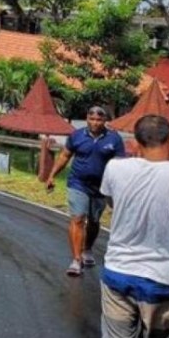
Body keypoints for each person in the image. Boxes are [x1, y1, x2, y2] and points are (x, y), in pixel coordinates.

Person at [98, 114, 169, 338]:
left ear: (134, 142)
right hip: (164, 280)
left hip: (118, 273)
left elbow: (112, 202)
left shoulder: (115, 168)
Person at [45, 105, 125, 276]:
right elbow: (65, 156)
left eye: (99, 120)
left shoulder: (114, 139)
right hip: (78, 183)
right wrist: (52, 175)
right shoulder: (77, 136)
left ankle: (87, 248)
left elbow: (120, 165)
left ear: (105, 121)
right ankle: (76, 260)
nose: (95, 123)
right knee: (78, 218)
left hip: (101, 187)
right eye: (92, 119)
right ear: (87, 119)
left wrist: (118, 190)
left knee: (94, 221)